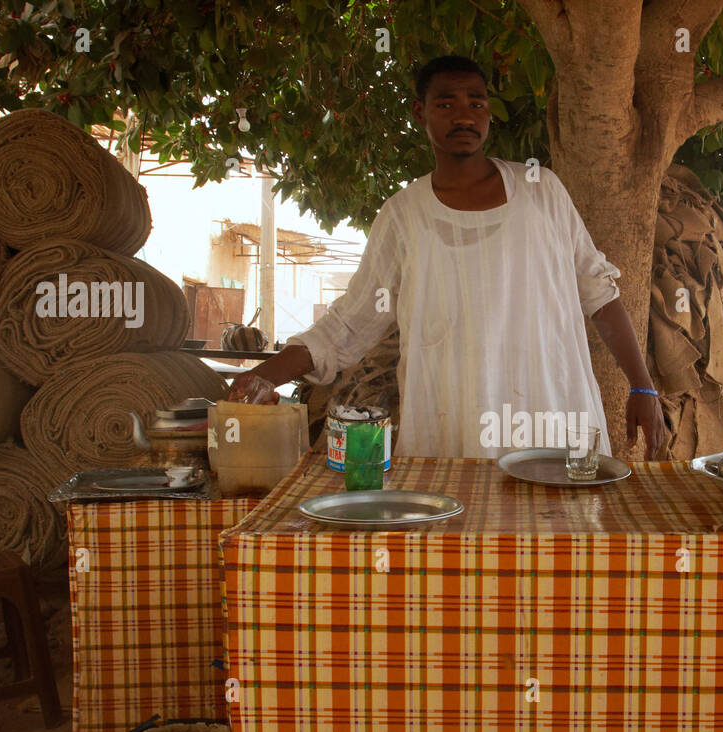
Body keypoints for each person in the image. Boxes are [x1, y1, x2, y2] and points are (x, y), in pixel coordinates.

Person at [227, 55, 668, 459]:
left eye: (476, 104)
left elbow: (598, 291)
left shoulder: (542, 192)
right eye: (446, 104)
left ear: (489, 115)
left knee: (561, 542)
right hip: (454, 436)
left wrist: (643, 387)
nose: (464, 116)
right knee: (457, 543)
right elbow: (348, 324)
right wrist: (264, 375)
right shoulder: (405, 216)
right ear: (419, 112)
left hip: (555, 421)